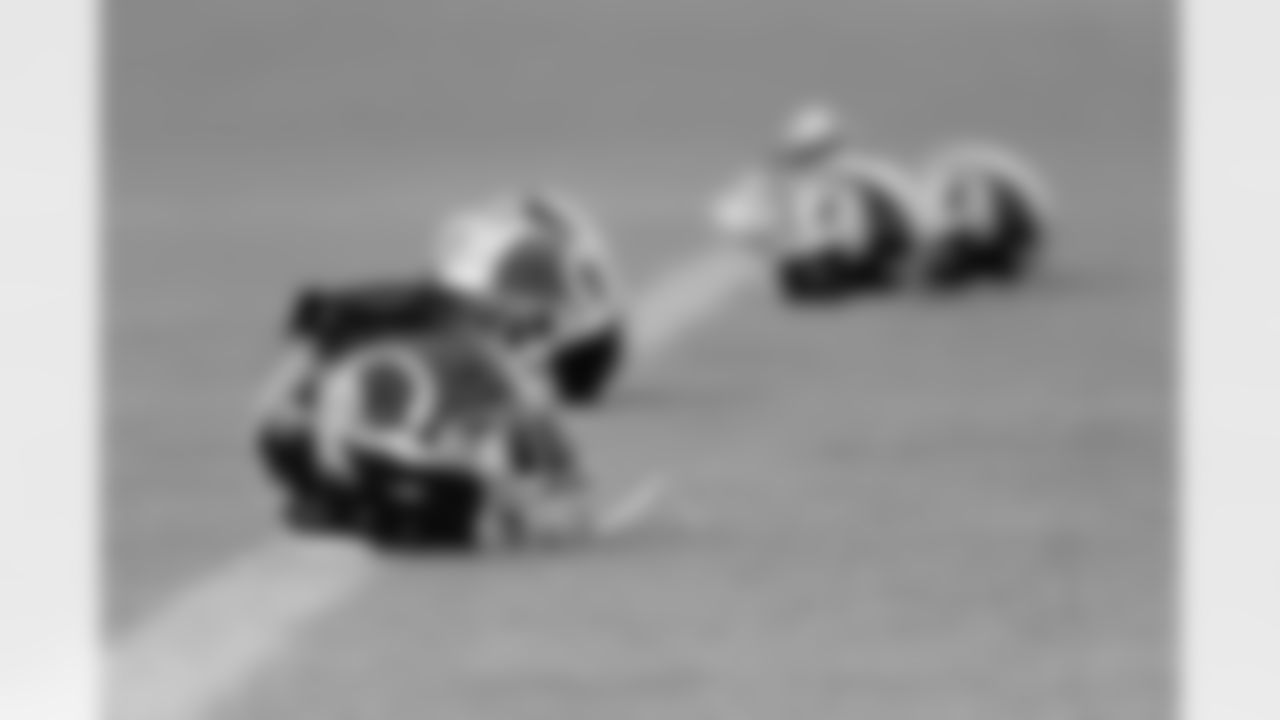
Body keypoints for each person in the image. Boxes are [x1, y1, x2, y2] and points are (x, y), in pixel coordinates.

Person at [711, 102, 919, 299]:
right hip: (876, 259)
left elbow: (732, 218)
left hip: (842, 261)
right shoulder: (873, 168)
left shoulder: (813, 181)